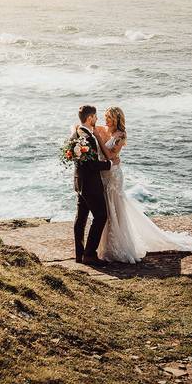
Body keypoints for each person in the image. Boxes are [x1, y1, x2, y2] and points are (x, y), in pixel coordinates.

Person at [94, 106, 192, 263]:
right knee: (107, 208)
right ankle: (105, 245)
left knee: (115, 207)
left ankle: (117, 246)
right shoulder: (103, 129)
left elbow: (110, 155)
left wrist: (99, 139)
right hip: (104, 174)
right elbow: (82, 127)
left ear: (117, 119)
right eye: (105, 116)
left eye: (109, 117)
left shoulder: (120, 135)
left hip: (114, 175)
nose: (106, 119)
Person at [69, 105, 113, 266]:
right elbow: (92, 165)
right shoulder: (87, 138)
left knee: (81, 218)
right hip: (90, 184)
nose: (97, 119)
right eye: (95, 117)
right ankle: (89, 254)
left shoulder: (75, 134)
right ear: (89, 118)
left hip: (79, 182)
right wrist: (108, 164)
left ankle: (79, 254)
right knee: (101, 216)